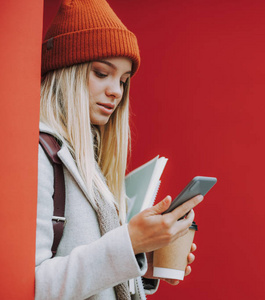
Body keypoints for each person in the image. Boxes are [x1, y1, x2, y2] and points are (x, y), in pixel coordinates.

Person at [35, 0, 203, 299]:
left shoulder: (88, 161)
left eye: (124, 80)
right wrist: (128, 242)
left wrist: (140, 261)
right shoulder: (40, 156)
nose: (116, 90)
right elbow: (32, 286)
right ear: (66, 71)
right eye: (101, 73)